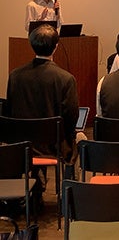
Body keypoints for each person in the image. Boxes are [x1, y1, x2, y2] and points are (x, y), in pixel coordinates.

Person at [5, 24, 79, 183]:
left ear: (31, 45)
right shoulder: (66, 79)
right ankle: (69, 190)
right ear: (56, 47)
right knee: (77, 139)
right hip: (53, 145)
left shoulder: (15, 76)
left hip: (21, 144)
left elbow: (10, 110)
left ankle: (33, 182)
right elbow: (71, 118)